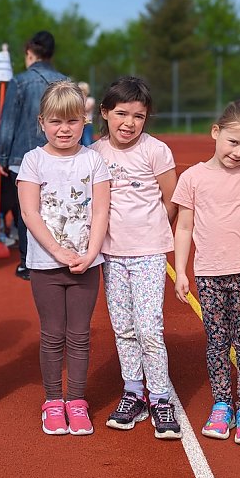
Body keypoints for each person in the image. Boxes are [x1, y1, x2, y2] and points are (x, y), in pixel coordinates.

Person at [172, 99, 240, 446]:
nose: (239, 152)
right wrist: (180, 271)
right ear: (216, 132)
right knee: (216, 342)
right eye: (233, 142)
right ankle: (221, 403)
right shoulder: (193, 178)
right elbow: (184, 227)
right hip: (209, 274)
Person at [89, 76, 181, 440]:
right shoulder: (94, 154)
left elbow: (172, 198)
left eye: (138, 116)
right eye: (121, 113)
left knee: (149, 327)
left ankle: (160, 396)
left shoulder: (156, 150)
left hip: (147, 252)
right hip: (111, 254)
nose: (129, 123)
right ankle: (133, 392)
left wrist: (154, 230)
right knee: (123, 327)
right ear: (105, 113)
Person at [17, 81, 111, 436]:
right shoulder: (33, 160)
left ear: (84, 121)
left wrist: (90, 253)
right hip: (46, 265)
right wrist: (57, 251)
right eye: (56, 122)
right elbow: (29, 213)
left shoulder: (93, 160)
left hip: (86, 264)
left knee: (80, 334)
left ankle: (77, 400)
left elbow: (101, 211)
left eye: (72, 121)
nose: (64, 129)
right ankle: (53, 401)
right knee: (53, 334)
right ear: (42, 122)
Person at [0, 31, 67, 280]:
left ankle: (28, 262)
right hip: (58, 153)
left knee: (26, 210)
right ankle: (57, 255)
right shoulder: (64, 82)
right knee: (55, 206)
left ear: (30, 53)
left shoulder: (20, 81)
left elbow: (8, 122)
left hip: (22, 156)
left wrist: (2, 156)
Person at [78, 81, 96, 146]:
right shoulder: (77, 100)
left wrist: (83, 98)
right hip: (79, 123)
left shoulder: (90, 100)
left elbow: (85, 109)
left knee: (87, 142)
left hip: (87, 123)